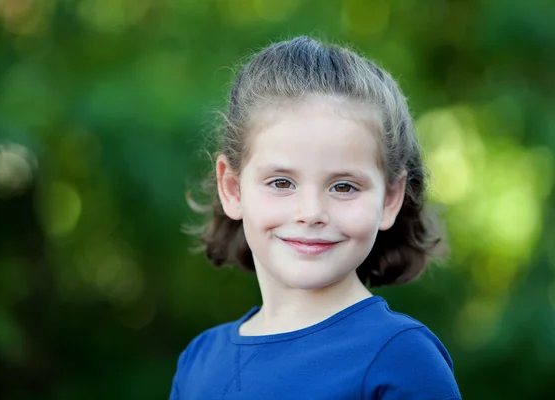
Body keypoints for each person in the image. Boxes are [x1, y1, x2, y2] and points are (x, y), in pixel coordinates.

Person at [170, 36, 462, 400]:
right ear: (233, 189)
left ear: (390, 198)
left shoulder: (401, 357)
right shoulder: (199, 361)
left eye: (343, 187)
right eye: (281, 182)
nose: (311, 213)